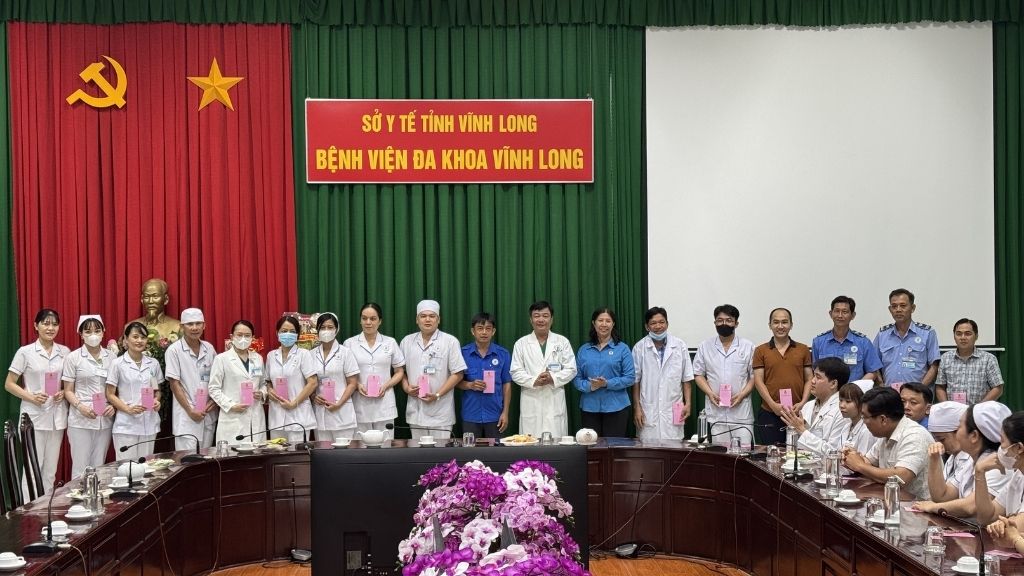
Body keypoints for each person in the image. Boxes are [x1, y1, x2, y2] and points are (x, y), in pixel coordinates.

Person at [5, 308, 69, 494]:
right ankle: (27, 514)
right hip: (33, 418)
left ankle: (44, 512)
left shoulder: (64, 352)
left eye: (54, 324)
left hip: (57, 417)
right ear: (36, 325)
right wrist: (32, 397)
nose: (50, 328)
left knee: (50, 471)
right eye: (46, 323)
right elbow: (9, 384)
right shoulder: (25, 352)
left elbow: (70, 384)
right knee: (32, 469)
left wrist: (63, 392)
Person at [916, 401, 1011, 516]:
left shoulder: (996, 464)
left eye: (960, 426)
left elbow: (971, 506)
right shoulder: (972, 460)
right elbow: (943, 496)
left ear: (974, 436)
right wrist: (934, 459)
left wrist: (933, 507)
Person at [842, 387, 933, 500]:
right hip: (892, 500)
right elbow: (868, 461)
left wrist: (860, 466)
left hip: (918, 509)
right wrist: (850, 458)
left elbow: (901, 477)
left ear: (883, 420)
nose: (863, 422)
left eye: (865, 417)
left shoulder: (914, 436)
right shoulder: (886, 432)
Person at [400, 300, 466, 440]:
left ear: (439, 319)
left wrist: (437, 395)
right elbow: (401, 371)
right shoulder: (407, 341)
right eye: (423, 316)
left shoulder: (450, 341)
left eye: (432, 316)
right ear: (417, 320)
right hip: (415, 410)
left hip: (440, 412)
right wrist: (406, 387)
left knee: (441, 456)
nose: (427, 319)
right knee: (418, 455)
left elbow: (458, 374)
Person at [510, 301, 578, 437]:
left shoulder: (562, 342)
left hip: (554, 400)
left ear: (551, 319)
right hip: (531, 399)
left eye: (545, 316)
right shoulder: (521, 343)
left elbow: (571, 369)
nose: (541, 319)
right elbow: (515, 372)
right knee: (530, 445)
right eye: (537, 316)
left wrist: (552, 378)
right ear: (531, 320)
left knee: (556, 447)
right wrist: (534, 380)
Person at [62, 315, 115, 478]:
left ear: (103, 332)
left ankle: (95, 501)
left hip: (104, 418)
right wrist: (80, 407)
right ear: (81, 334)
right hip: (81, 419)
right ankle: (78, 502)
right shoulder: (73, 358)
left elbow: (114, 388)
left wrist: (113, 405)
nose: (93, 334)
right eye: (88, 331)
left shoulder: (111, 357)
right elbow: (67, 390)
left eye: (97, 330)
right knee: (80, 468)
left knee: (99, 466)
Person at [343, 303, 406, 440]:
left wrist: (386, 385)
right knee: (361, 448)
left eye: (373, 318)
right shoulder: (349, 344)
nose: (368, 322)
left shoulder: (390, 342)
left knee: (385, 448)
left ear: (380, 321)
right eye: (364, 318)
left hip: (385, 403)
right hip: (360, 403)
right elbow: (345, 373)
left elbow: (399, 371)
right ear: (360, 320)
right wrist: (357, 385)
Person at [634, 306, 697, 442]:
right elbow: (636, 381)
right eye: (653, 323)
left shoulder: (680, 346)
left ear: (667, 324)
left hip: (674, 407)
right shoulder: (640, 348)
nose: (658, 326)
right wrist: (637, 408)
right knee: (648, 453)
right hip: (648, 409)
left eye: (661, 322)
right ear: (647, 326)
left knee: (674, 452)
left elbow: (686, 379)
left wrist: (688, 403)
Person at [752, 308, 812, 445]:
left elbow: (809, 378)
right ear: (770, 325)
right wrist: (773, 405)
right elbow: (758, 380)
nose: (780, 326)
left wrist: (802, 403)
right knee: (772, 455)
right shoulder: (761, 350)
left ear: (791, 325)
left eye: (784, 322)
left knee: (797, 455)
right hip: (769, 412)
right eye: (776, 322)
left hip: (797, 413)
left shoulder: (803, 349)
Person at [575, 308, 635, 438]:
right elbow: (576, 378)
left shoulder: (623, 349)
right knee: (591, 449)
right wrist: (590, 386)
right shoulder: (584, 350)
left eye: (608, 321)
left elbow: (630, 378)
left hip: (617, 407)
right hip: (589, 407)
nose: (604, 324)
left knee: (614, 449)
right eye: (600, 320)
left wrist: (606, 383)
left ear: (613, 324)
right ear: (593, 323)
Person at [106, 322, 163, 460]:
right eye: (135, 337)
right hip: (126, 425)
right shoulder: (117, 364)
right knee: (127, 468)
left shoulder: (153, 363)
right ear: (126, 339)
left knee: (147, 467)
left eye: (143, 337)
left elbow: (157, 390)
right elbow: (110, 394)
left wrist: (157, 401)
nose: (139, 341)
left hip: (149, 422)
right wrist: (128, 409)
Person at [165, 307, 218, 451]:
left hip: (207, 413)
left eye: (198, 323)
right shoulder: (174, 350)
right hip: (186, 416)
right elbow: (174, 384)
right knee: (187, 461)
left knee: (206, 459)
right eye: (190, 324)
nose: (194, 328)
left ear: (204, 325)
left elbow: (217, 379)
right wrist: (190, 410)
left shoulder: (209, 348)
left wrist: (213, 402)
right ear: (182, 327)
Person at [209, 320, 267, 444]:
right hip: (232, 417)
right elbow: (214, 388)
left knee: (258, 456)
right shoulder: (221, 359)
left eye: (247, 335)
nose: (243, 339)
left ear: (253, 338)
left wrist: (262, 393)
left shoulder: (258, 358)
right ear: (232, 337)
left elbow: (264, 383)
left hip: (255, 415)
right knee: (234, 458)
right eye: (239, 335)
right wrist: (231, 405)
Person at [780, 357, 848, 457]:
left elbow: (833, 453)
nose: (812, 381)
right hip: (799, 463)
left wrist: (801, 430)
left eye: (818, 377)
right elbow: (795, 443)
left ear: (833, 383)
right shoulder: (808, 406)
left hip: (825, 468)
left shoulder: (842, 410)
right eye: (813, 376)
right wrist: (792, 429)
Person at [458, 312, 512, 439]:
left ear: (493, 331)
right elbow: (455, 382)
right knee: (469, 455)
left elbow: (507, 384)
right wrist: (470, 385)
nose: (484, 332)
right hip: (471, 414)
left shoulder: (503, 354)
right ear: (473, 331)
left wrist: (505, 412)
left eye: (488, 329)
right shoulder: (462, 353)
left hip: (495, 414)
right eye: (480, 328)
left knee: (496, 455)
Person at [265, 315, 318, 443]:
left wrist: (294, 403)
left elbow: (312, 382)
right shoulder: (271, 356)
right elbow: (267, 382)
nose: (287, 334)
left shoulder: (303, 354)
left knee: (296, 458)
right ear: (277, 333)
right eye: (284, 331)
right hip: (277, 415)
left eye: (292, 331)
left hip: (298, 415)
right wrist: (269, 391)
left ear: (298, 335)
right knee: (277, 456)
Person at [873, 288, 940, 388]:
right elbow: (874, 365)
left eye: (903, 306)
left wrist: (920, 389)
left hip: (917, 395)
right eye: (894, 306)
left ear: (912, 308)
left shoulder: (927, 333)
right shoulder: (882, 334)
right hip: (890, 395)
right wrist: (882, 386)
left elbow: (934, 366)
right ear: (890, 309)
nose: (898, 309)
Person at [978, 412, 1024, 552]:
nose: (1000, 448)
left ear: (1019, 448)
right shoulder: (1018, 476)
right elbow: (987, 516)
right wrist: (979, 472)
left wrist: (1004, 525)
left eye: (1003, 442)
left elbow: (1015, 528)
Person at [310, 313, 360, 442]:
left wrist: (339, 404)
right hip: (321, 413)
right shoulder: (311, 354)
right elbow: (309, 383)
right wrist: (314, 397)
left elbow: (353, 383)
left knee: (343, 456)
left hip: (342, 412)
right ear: (317, 330)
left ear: (336, 329)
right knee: (323, 455)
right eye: (322, 327)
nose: (326, 330)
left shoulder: (345, 353)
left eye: (330, 327)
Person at [811, 296, 882, 383]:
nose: (840, 315)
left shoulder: (863, 342)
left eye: (844, 312)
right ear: (830, 314)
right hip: (827, 395)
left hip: (854, 394)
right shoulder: (818, 342)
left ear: (852, 315)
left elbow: (872, 372)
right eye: (837, 311)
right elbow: (815, 372)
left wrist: (855, 387)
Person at [935, 318, 1004, 404]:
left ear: (976, 336)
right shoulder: (945, 358)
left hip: (979, 412)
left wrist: (977, 409)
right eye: (959, 334)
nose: (963, 337)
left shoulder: (989, 359)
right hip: (953, 412)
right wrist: (947, 407)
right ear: (954, 336)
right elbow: (940, 387)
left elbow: (998, 388)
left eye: (968, 334)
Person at [921, 402, 971, 504]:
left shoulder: (972, 459)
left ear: (960, 432)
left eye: (942, 439)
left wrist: (934, 459)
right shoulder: (953, 457)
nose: (939, 444)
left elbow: (942, 497)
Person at [837, 382, 875, 454]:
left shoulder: (867, 430)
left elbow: (862, 461)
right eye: (841, 400)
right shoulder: (846, 427)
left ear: (862, 403)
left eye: (848, 401)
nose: (842, 405)